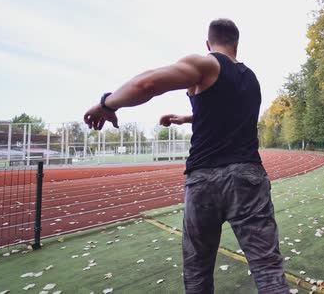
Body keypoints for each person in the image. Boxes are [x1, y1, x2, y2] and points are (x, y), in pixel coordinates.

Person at [83, 18, 289, 294]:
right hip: (248, 178)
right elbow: (226, 114)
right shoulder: (251, 79)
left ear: (208, 43)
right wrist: (186, 118)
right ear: (237, 44)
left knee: (197, 271)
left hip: (204, 180)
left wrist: (106, 103)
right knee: (268, 269)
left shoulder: (206, 63)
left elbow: (148, 84)